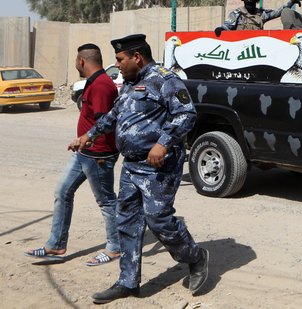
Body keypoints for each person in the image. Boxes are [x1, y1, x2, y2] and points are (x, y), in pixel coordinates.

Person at [72, 34, 209, 304]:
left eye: (120, 59)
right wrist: (89, 135)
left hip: (158, 166)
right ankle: (128, 281)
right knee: (127, 222)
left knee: (158, 218)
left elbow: (186, 114)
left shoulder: (164, 79)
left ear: (137, 57)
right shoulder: (130, 84)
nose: (117, 65)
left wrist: (163, 142)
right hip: (132, 166)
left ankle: (195, 257)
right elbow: (114, 115)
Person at [25, 43, 120, 265]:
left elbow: (104, 124)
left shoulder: (101, 86)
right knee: (63, 192)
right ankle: (56, 244)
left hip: (98, 155)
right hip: (84, 153)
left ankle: (115, 247)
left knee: (106, 201)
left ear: (81, 61)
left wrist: (84, 139)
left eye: (76, 61)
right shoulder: (95, 82)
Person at [214, 0, 302, 36]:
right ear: (243, 1)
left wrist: (290, 3)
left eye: (252, 0)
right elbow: (227, 26)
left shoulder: (261, 14)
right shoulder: (237, 13)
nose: (249, 2)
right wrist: (220, 29)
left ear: (256, 1)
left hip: (257, 50)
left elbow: (277, 12)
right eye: (247, 0)